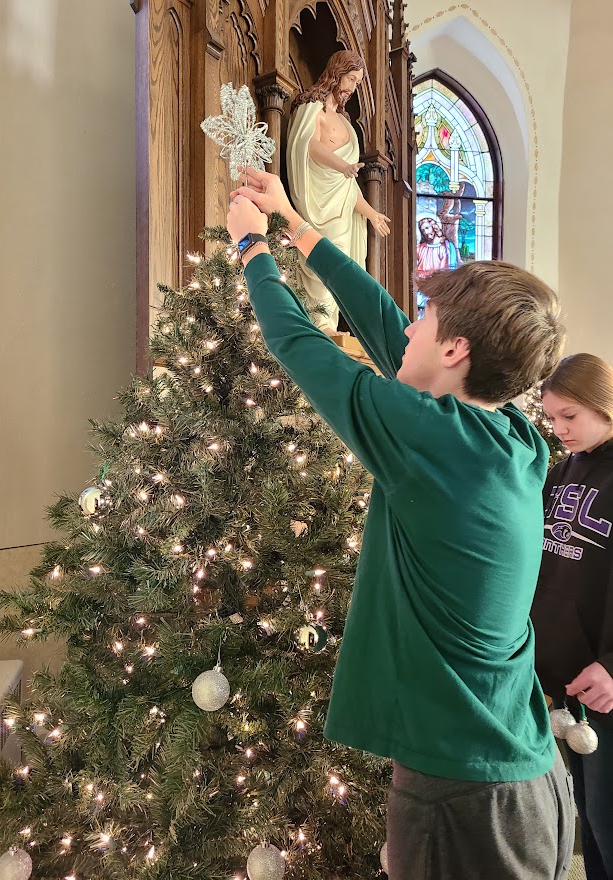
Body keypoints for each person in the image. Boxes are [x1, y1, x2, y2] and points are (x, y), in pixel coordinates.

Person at [227, 166, 573, 879]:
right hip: (516, 775)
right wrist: (295, 220)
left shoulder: (434, 440)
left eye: (428, 319)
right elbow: (385, 324)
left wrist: (252, 250)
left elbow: (301, 346)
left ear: (455, 353)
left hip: (465, 795)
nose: (407, 325)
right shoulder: (506, 434)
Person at [532, 353, 613, 880]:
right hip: (566, 691)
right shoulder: (559, 472)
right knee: (591, 823)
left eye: (571, 417)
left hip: (607, 686)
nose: (559, 429)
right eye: (552, 417)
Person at [286, 50, 390, 332]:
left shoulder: (346, 123)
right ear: (336, 73)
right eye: (351, 79)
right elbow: (307, 145)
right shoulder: (311, 110)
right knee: (319, 261)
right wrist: (341, 164)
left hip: (341, 212)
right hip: (315, 204)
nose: (352, 88)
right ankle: (318, 327)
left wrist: (371, 213)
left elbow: (349, 185)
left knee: (339, 267)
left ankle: (328, 326)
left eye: (357, 83)